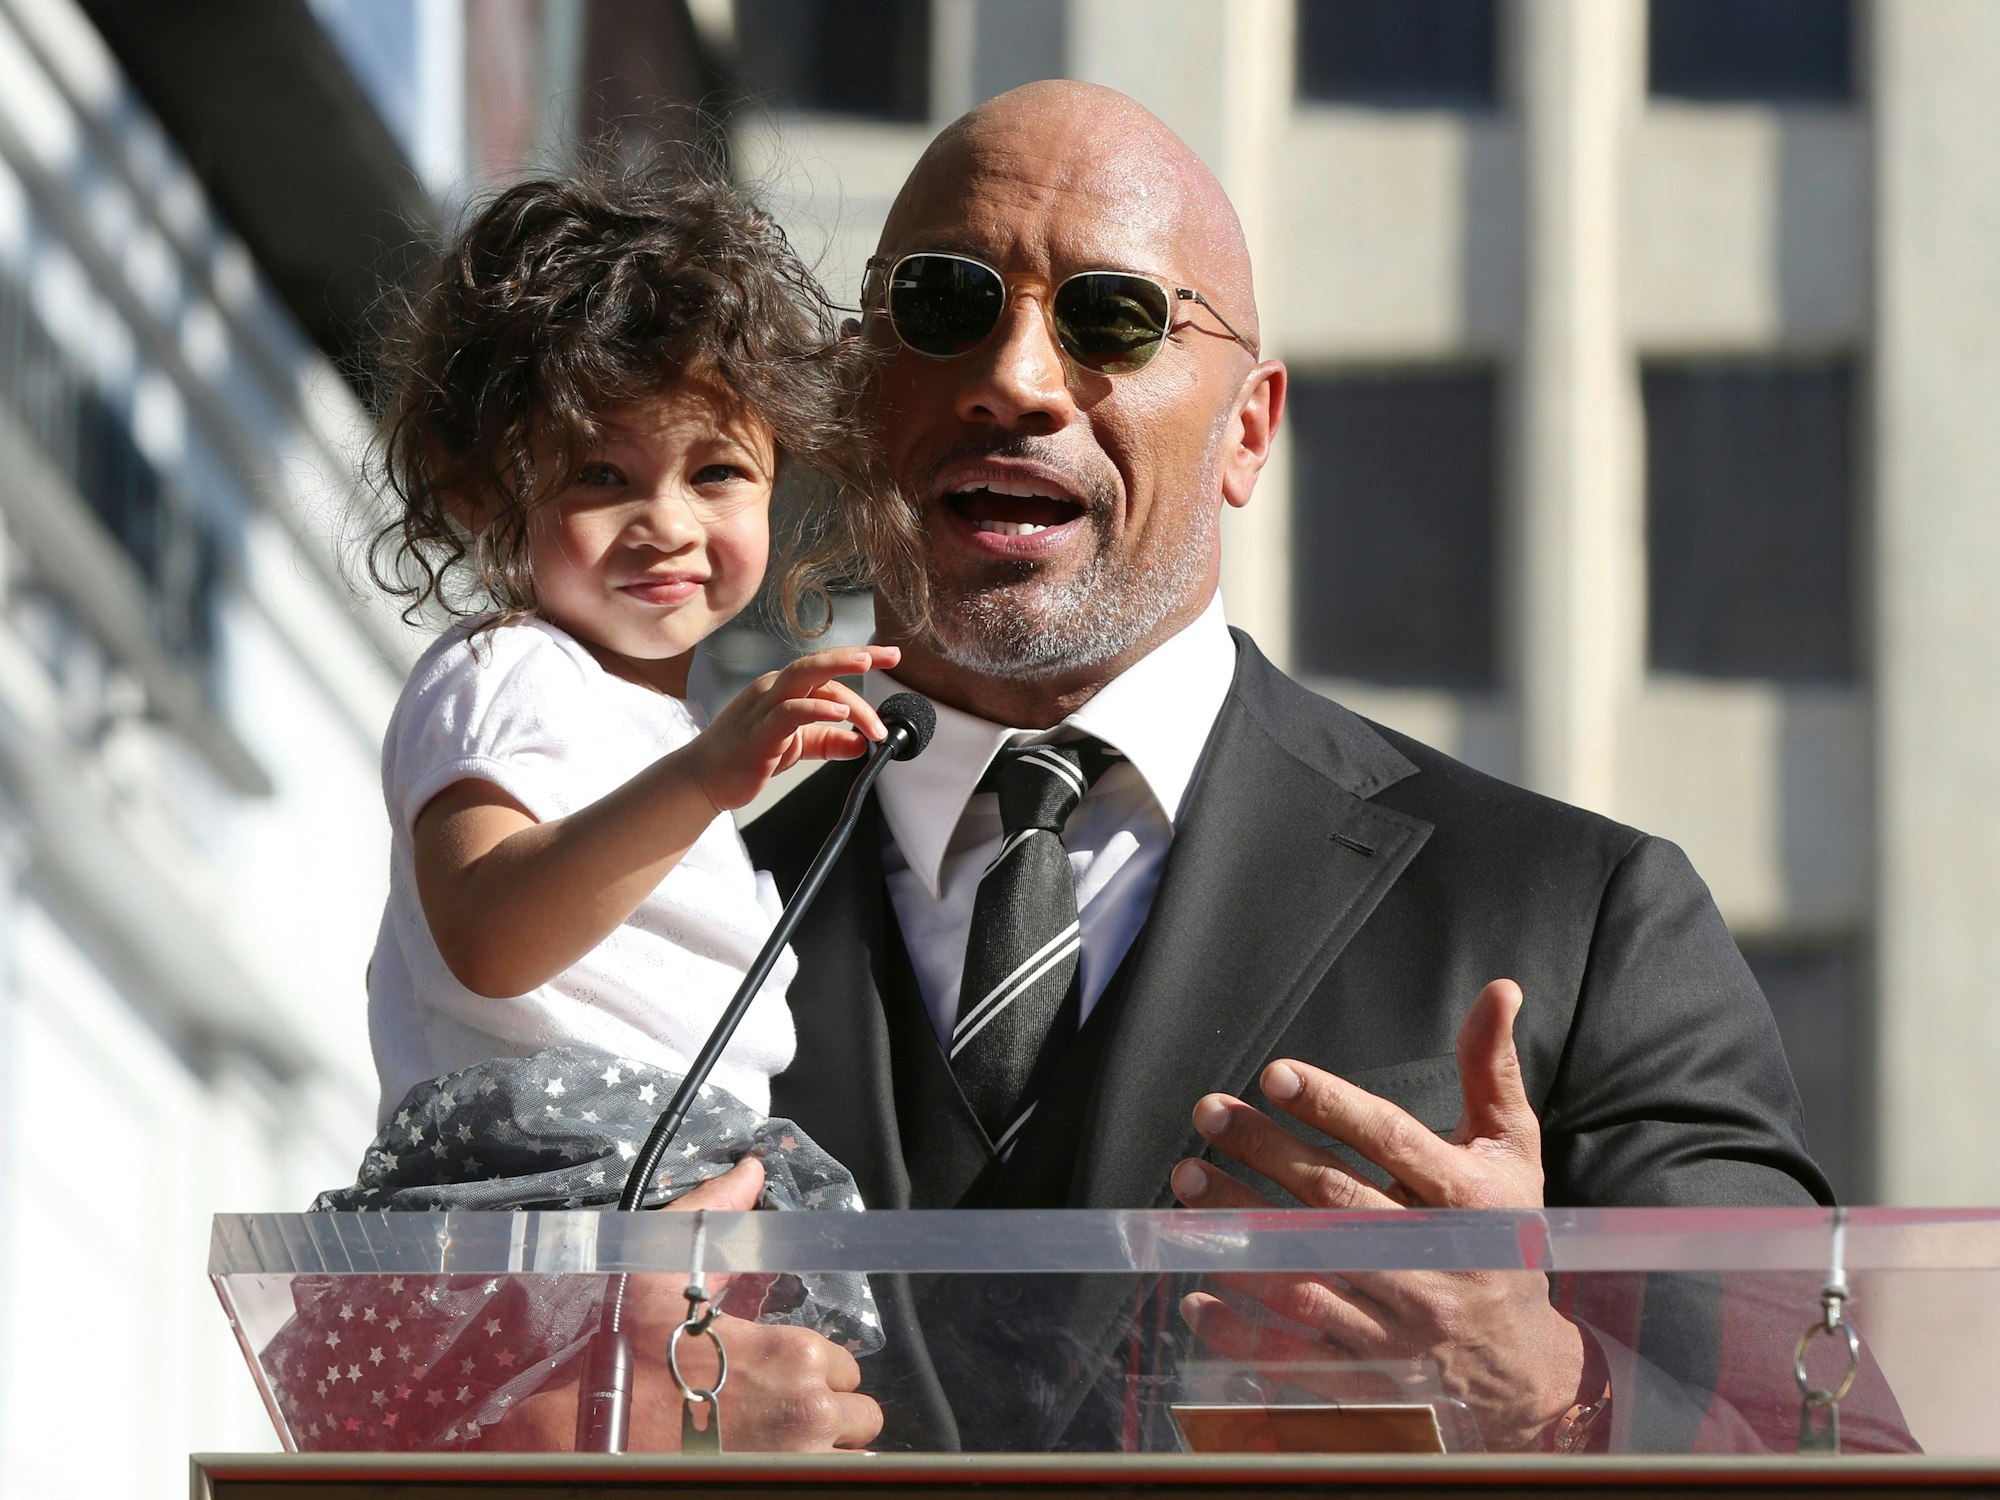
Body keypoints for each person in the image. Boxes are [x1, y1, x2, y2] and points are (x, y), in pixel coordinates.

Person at [747, 81, 1908, 1455]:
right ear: (854, 388)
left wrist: (1549, 1395)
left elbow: (1838, 1460)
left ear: (1248, 431)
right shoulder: (652, 923)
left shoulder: (1579, 917)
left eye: (1111, 319)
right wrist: (578, 1421)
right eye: (945, 303)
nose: (1017, 379)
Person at [298, 160, 907, 1452]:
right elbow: (488, 930)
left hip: (668, 1194)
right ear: (480, 491)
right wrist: (704, 780)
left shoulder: (663, 733)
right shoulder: (507, 670)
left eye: (718, 471)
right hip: (552, 1188)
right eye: (599, 476)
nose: (667, 522)